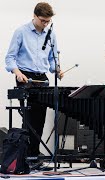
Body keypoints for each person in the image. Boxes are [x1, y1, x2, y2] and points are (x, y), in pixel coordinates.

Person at [5, 2, 63, 158]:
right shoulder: (21, 32)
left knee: (41, 118)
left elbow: (52, 59)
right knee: (29, 118)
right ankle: (26, 155)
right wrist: (17, 72)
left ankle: (34, 154)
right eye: (43, 20)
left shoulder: (51, 34)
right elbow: (10, 58)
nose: (45, 24)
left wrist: (57, 69)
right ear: (34, 16)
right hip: (25, 76)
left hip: (42, 78)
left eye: (48, 21)